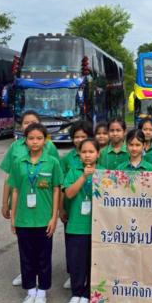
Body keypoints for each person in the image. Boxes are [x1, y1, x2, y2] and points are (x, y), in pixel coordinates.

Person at [0, 110, 60, 287]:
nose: (35, 141)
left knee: (42, 250)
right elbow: (10, 179)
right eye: (26, 123)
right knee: (26, 249)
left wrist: (55, 214)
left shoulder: (50, 150)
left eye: (33, 122)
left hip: (43, 207)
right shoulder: (15, 149)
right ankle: (28, 278)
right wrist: (5, 204)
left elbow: (56, 183)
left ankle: (41, 284)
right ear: (22, 130)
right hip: (23, 207)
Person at [9, 123, 63, 303]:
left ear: (45, 141)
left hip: (44, 219)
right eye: (31, 138)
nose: (35, 142)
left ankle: (42, 294)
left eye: (39, 138)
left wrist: (54, 217)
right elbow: (15, 190)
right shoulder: (19, 162)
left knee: (43, 258)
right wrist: (13, 216)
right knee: (26, 257)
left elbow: (56, 189)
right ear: (25, 140)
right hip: (23, 219)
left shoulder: (52, 162)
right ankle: (30, 292)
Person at [62, 138, 101, 303]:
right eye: (84, 152)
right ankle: (76, 293)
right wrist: (84, 176)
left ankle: (87, 294)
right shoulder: (73, 171)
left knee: (93, 262)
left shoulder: (103, 172)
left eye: (91, 152)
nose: (87, 155)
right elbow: (69, 194)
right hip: (76, 225)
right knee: (76, 262)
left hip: (97, 226)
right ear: (79, 154)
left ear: (98, 154)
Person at [59, 120, 93, 290]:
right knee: (72, 244)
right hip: (72, 207)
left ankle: (87, 278)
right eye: (76, 137)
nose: (79, 140)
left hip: (92, 211)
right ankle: (73, 274)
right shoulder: (67, 159)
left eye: (83, 136)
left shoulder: (95, 158)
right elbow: (61, 185)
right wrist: (61, 208)